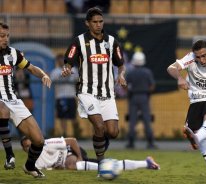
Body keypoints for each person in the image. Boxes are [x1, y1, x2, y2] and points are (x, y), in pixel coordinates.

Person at [61, 7, 127, 162]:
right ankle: (101, 163)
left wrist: (121, 75)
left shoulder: (112, 42)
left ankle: (99, 145)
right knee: (99, 126)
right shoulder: (79, 41)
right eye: (95, 22)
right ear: (87, 23)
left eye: (101, 21)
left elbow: (121, 64)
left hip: (107, 93)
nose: (98, 25)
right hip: (87, 92)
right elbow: (68, 62)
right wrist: (66, 69)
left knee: (113, 132)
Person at [167, 40, 206, 181]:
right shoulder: (190, 58)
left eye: (204, 55)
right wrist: (180, 78)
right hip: (197, 98)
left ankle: (198, 136)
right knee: (196, 134)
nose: (201, 59)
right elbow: (171, 68)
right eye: (198, 57)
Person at [0, 22, 52, 178]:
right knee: (2, 108)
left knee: (38, 140)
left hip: (13, 100)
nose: (6, 39)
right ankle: (10, 156)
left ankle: (30, 166)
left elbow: (31, 68)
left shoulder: (13, 54)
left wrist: (43, 75)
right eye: (2, 36)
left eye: (7, 36)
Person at [21, 136, 160, 171]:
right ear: (24, 150)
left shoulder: (46, 143)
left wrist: (79, 158)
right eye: (26, 147)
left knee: (71, 164)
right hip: (72, 163)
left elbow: (73, 141)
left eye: (30, 144)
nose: (30, 148)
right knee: (106, 165)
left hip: (74, 152)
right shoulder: (34, 163)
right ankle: (146, 163)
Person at [125, 51, 156, 149]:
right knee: (146, 120)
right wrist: (147, 93)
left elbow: (125, 85)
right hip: (144, 97)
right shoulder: (147, 72)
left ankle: (131, 143)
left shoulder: (131, 73)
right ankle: (150, 143)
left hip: (133, 97)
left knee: (133, 120)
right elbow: (152, 86)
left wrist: (129, 92)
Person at [50, 54, 81, 138]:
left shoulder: (73, 69)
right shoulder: (55, 72)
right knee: (62, 117)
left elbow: (78, 79)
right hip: (60, 96)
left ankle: (77, 133)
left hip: (71, 95)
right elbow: (52, 81)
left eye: (61, 59)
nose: (60, 61)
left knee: (73, 116)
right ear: (57, 61)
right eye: (58, 60)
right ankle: (64, 134)